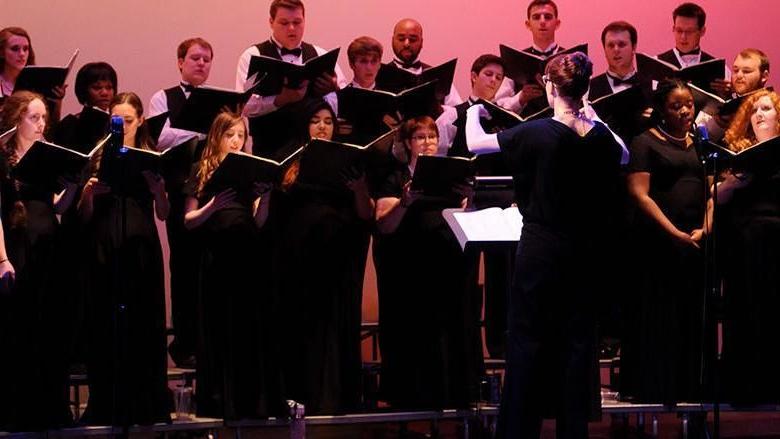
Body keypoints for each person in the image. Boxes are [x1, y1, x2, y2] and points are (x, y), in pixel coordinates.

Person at [465, 52, 625, 439]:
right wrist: (593, 116)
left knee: (528, 341)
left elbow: (477, 143)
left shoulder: (536, 133)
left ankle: (520, 430)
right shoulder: (601, 137)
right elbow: (624, 152)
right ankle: (572, 429)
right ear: (586, 90)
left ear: (551, 87)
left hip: (541, 250)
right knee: (575, 344)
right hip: (583, 253)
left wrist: (473, 111)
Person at [374, 116, 482, 409]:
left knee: (449, 323)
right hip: (410, 265)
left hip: (447, 261)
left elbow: (465, 217)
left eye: (432, 137)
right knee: (414, 327)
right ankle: (413, 396)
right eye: (420, 138)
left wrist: (469, 200)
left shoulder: (449, 173)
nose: (428, 143)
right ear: (408, 144)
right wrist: (406, 200)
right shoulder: (395, 176)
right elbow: (384, 225)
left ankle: (453, 392)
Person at [273, 99, 373, 414]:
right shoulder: (288, 156)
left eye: (328, 121)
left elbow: (364, 214)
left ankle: (337, 397)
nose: (322, 126)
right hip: (299, 257)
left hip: (339, 257)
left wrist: (359, 189)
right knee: (301, 323)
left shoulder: (348, 158)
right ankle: (300, 395)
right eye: (315, 120)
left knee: (335, 324)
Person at [78, 92, 172, 426]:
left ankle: (145, 401)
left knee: (142, 322)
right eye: (115, 121)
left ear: (140, 120)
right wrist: (88, 193)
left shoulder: (150, 155)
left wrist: (159, 190)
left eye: (127, 120)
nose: (121, 126)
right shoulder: (97, 157)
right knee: (106, 322)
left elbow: (163, 213)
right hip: (104, 245)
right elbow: (84, 216)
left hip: (141, 247)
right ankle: (106, 401)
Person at [183, 111, 281, 419]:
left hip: (248, 257)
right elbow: (188, 220)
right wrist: (213, 206)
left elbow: (259, 221)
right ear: (217, 137)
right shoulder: (201, 169)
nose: (236, 141)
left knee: (246, 327)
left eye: (241, 135)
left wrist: (264, 199)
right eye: (230, 135)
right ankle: (218, 399)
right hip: (217, 258)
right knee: (218, 326)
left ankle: (248, 400)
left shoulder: (249, 171)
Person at [619, 79, 710, 407]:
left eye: (688, 104)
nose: (685, 110)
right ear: (661, 110)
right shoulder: (645, 142)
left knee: (690, 313)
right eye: (676, 106)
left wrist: (704, 227)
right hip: (658, 243)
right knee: (659, 313)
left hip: (694, 241)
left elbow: (710, 190)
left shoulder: (699, 142)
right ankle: (656, 385)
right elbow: (638, 193)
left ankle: (689, 384)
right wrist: (672, 231)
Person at [0, 91, 79, 431]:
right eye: (34, 118)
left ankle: (51, 410)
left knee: (50, 326)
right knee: (21, 327)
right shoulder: (4, 161)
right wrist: (3, 259)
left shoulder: (47, 156)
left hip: (50, 246)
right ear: (16, 120)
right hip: (20, 247)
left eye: (44, 118)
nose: (41, 124)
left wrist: (73, 186)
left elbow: (58, 207)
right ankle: (19, 410)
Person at [148, 37, 214, 368]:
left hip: (211, 193)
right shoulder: (163, 97)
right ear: (180, 62)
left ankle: (208, 339)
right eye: (195, 58)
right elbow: (160, 137)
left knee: (210, 267)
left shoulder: (218, 100)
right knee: (184, 266)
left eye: (206, 59)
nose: (201, 64)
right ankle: (185, 341)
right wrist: (200, 132)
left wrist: (187, 131)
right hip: (176, 192)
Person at [719, 90, 780, 404]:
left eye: (767, 109)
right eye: (754, 110)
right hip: (745, 243)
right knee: (746, 308)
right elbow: (718, 200)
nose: (759, 114)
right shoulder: (737, 151)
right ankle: (746, 384)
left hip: (776, 240)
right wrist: (731, 184)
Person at [236, 0, 345, 155]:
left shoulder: (320, 54)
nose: (292, 28)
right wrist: (280, 99)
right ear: (271, 22)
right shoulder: (252, 55)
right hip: (270, 148)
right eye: (284, 23)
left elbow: (341, 104)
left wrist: (332, 90)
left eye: (297, 22)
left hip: (313, 150)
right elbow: (244, 106)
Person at [375, 18, 462, 107]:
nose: (406, 44)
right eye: (401, 39)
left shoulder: (439, 76)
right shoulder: (377, 75)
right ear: (392, 40)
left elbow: (458, 111)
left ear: (421, 42)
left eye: (412, 40)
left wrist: (446, 112)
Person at [494, 0, 561, 114]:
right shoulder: (515, 60)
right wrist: (521, 97)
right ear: (528, 24)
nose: (542, 21)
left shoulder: (570, 59)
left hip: (564, 128)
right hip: (528, 128)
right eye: (536, 17)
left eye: (548, 17)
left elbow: (585, 99)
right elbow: (500, 104)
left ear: (557, 23)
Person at [696, 48, 771, 142]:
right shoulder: (720, 102)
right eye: (735, 70)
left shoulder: (774, 107)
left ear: (764, 76)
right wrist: (721, 117)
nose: (739, 76)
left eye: (746, 71)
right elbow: (699, 139)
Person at [658, 3, 730, 97]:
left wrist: (728, 93)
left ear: (702, 31)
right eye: (679, 30)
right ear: (673, 29)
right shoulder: (657, 63)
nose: (683, 37)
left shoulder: (721, 69)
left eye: (689, 31)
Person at [0, 27, 65, 121]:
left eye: (26, 49)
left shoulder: (36, 82)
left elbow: (50, 126)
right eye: (15, 49)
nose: (22, 54)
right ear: (1, 52)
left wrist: (58, 101)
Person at [52, 61, 117, 150]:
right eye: (97, 88)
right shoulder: (70, 125)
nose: (105, 93)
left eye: (109, 87)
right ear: (84, 91)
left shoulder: (120, 122)